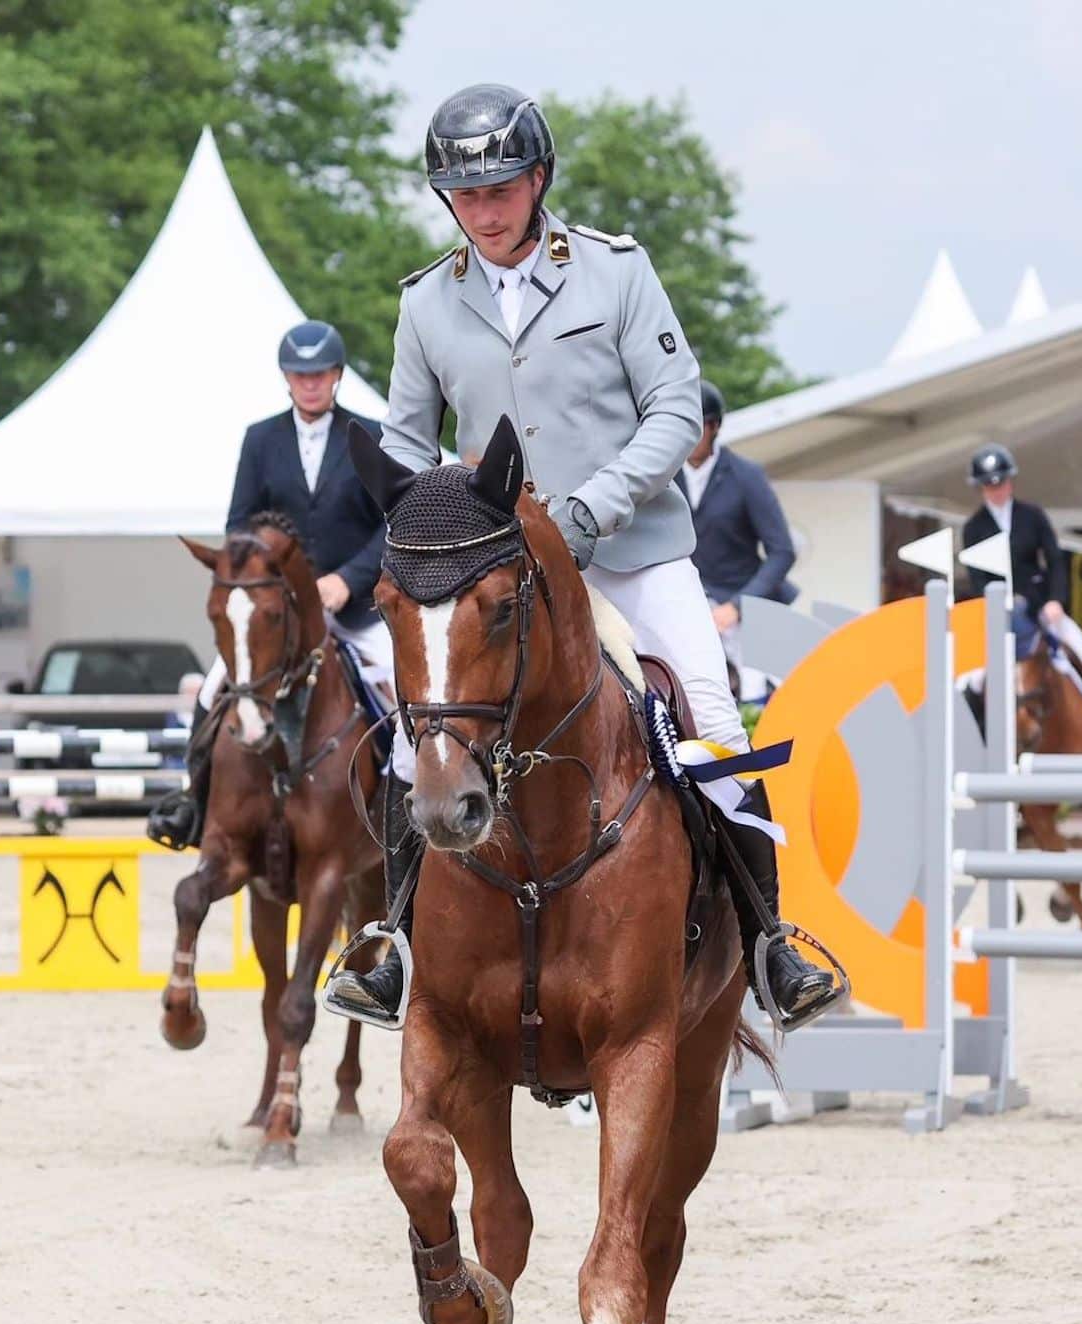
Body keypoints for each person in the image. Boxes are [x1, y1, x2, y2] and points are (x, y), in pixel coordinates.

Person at [325, 82, 841, 1032]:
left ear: (540, 178)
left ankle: (772, 944)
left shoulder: (614, 271)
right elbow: (404, 443)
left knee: (715, 721)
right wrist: (430, 528)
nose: (485, 210)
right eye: (467, 195)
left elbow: (676, 409)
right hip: (499, 570)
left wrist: (590, 512)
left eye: (502, 189)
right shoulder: (428, 303)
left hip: (633, 551)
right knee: (414, 742)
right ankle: (395, 946)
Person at [146, 321, 392, 850]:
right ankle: (191, 803)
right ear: (287, 378)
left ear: (337, 376)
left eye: (320, 374)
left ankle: (402, 815)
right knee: (213, 688)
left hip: (354, 608)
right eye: (301, 375)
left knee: (399, 689)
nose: (310, 384)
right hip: (276, 612)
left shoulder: (369, 434)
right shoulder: (262, 439)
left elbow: (389, 523)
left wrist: (346, 581)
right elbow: (240, 524)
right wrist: (272, 584)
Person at [961, 442, 1082, 721]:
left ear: (1010, 482)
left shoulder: (1033, 516)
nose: (996, 490)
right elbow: (977, 579)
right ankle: (978, 731)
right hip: (997, 614)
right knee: (974, 679)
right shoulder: (973, 528)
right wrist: (994, 608)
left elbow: (1054, 560)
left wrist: (1056, 600)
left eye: (1001, 483)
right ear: (981, 488)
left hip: (1039, 608)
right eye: (989, 486)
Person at [679, 380, 796, 666]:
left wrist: (738, 606)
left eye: (696, 425)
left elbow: (782, 552)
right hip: (686, 602)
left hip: (741, 605)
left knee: (758, 686)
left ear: (714, 426)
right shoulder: (663, 477)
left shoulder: (746, 476)